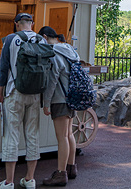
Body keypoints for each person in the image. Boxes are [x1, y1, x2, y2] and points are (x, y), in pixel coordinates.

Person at [0, 13, 44, 189]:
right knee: (32, 135)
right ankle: (30, 179)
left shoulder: (11, 39)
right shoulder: (41, 40)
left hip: (14, 92)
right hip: (35, 94)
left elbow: (3, 68)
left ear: (16, 24)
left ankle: (8, 182)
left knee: (11, 135)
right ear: (32, 24)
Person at [39, 26, 79, 186]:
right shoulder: (69, 49)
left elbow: (52, 80)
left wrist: (46, 103)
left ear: (44, 37)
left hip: (60, 99)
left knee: (61, 137)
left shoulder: (54, 53)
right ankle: (71, 168)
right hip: (72, 98)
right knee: (69, 134)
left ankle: (61, 173)